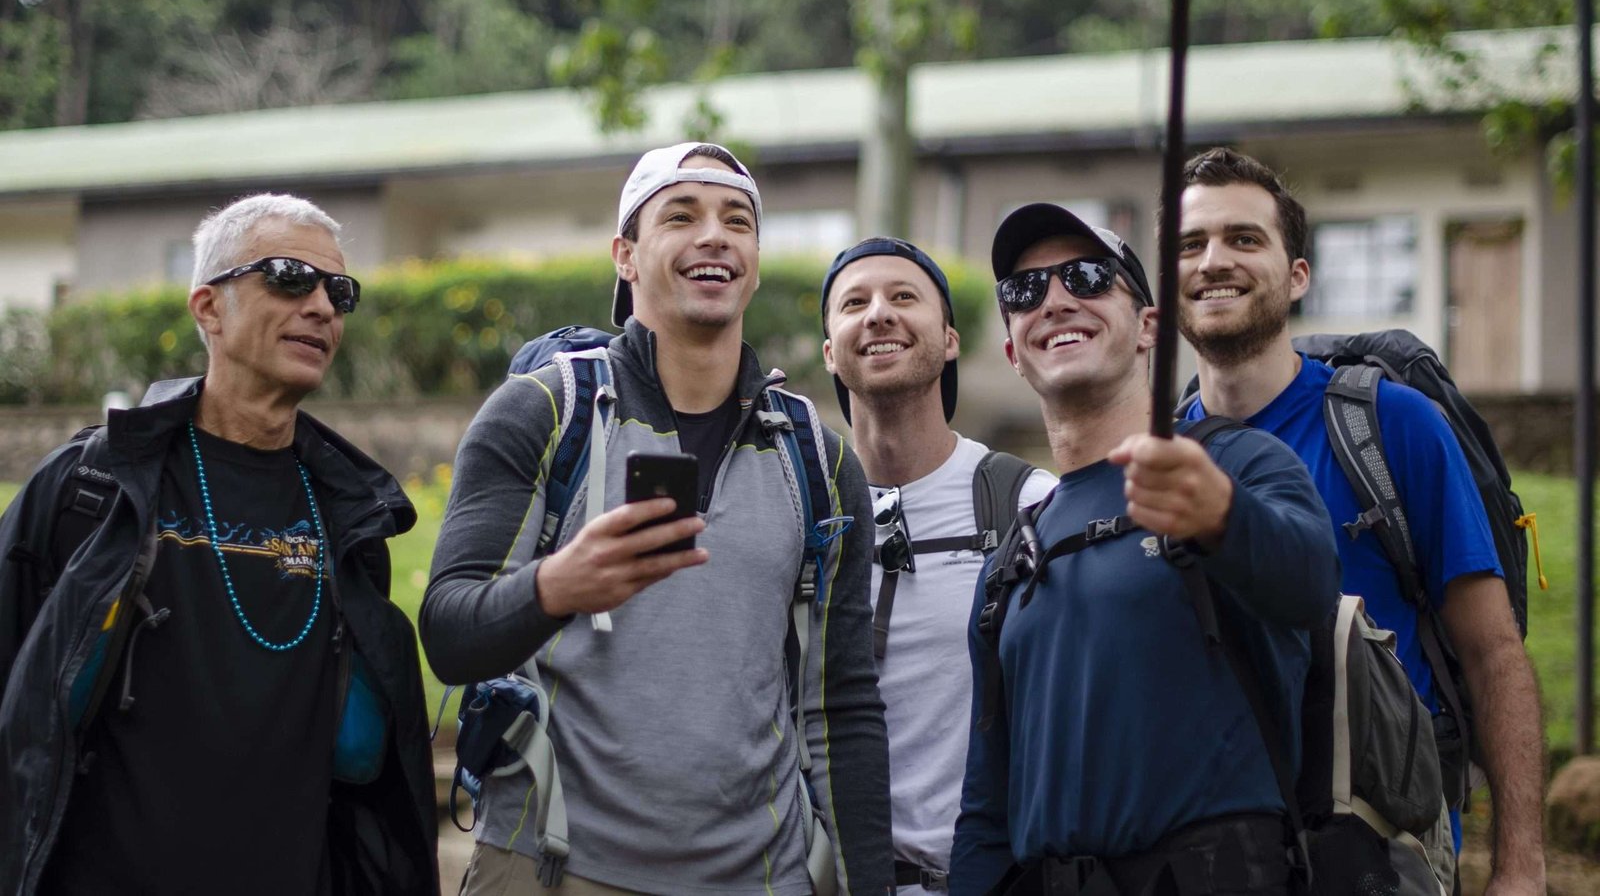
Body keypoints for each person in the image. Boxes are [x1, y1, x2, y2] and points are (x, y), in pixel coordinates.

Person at [421, 142, 892, 894]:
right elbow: (449, 631)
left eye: (738, 221)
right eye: (682, 215)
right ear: (626, 256)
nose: (715, 235)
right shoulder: (545, 411)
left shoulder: (819, 461)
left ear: (756, 262)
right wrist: (556, 587)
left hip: (759, 876)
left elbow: (842, 705)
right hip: (551, 864)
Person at [0, 194, 439, 896]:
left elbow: (362, 763)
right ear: (209, 308)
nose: (323, 306)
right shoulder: (89, 489)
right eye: (291, 276)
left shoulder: (352, 516)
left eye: (339, 289)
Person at [1175, 146, 1546, 895]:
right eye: (1191, 244)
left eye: (1244, 239)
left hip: (1382, 855)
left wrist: (1520, 870)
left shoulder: (1389, 425)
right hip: (1211, 858)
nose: (1214, 260)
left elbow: (1493, 652)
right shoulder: (1159, 458)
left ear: (1298, 276)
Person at [949, 204, 1339, 895]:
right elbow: (986, 804)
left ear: (1149, 328)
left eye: (1089, 277)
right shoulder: (1010, 558)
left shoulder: (1240, 462)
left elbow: (1308, 586)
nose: (1056, 301)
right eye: (1024, 291)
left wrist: (1222, 514)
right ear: (1012, 350)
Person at [820, 237, 1055, 893]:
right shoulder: (805, 510)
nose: (878, 315)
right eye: (854, 303)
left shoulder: (1025, 502)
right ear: (829, 353)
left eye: (904, 297)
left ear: (949, 339)